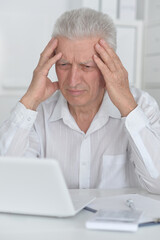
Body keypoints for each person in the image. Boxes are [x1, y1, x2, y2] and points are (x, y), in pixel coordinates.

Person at [0, 8, 160, 193]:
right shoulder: (37, 113)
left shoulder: (142, 106)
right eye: (64, 65)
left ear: (110, 65)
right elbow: (5, 180)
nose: (73, 80)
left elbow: (157, 184)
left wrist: (128, 108)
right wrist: (29, 101)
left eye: (86, 66)